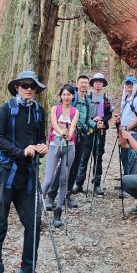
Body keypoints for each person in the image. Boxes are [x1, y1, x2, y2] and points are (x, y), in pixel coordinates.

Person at [0, 70, 48, 273]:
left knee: (34, 223)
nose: (29, 88)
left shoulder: (39, 111)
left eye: (32, 85)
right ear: (17, 87)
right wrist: (22, 151)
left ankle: (27, 271)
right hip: (5, 175)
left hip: (28, 176)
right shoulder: (5, 110)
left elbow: (41, 137)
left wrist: (42, 147)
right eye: (24, 85)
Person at [46, 75, 96, 209]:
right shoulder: (70, 99)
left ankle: (66, 195)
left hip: (80, 136)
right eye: (81, 83)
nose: (84, 85)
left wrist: (96, 125)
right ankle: (51, 195)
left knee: (74, 167)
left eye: (86, 83)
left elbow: (87, 120)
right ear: (77, 84)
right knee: (61, 168)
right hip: (64, 137)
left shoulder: (87, 100)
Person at [42, 84, 79, 228]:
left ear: (73, 96)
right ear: (60, 96)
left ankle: (58, 211)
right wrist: (62, 132)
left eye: (69, 94)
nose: (66, 97)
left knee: (64, 179)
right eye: (64, 94)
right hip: (54, 145)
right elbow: (54, 124)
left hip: (69, 147)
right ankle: (38, 205)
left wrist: (69, 134)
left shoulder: (75, 111)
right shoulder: (54, 109)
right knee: (48, 179)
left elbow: (74, 125)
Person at [72, 72, 114, 196]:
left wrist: (102, 121)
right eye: (96, 81)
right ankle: (79, 183)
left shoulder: (107, 98)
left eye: (101, 81)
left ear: (103, 84)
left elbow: (109, 114)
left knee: (98, 157)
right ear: (93, 84)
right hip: (88, 130)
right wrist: (92, 120)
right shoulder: (87, 97)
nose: (98, 83)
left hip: (100, 130)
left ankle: (97, 184)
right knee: (84, 157)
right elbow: (84, 113)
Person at [113, 75, 137, 180]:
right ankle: (126, 182)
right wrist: (120, 121)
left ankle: (132, 183)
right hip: (124, 133)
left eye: (131, 84)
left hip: (134, 133)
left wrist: (128, 127)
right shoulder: (126, 99)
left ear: (135, 85)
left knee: (132, 159)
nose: (129, 86)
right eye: (127, 84)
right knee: (124, 158)